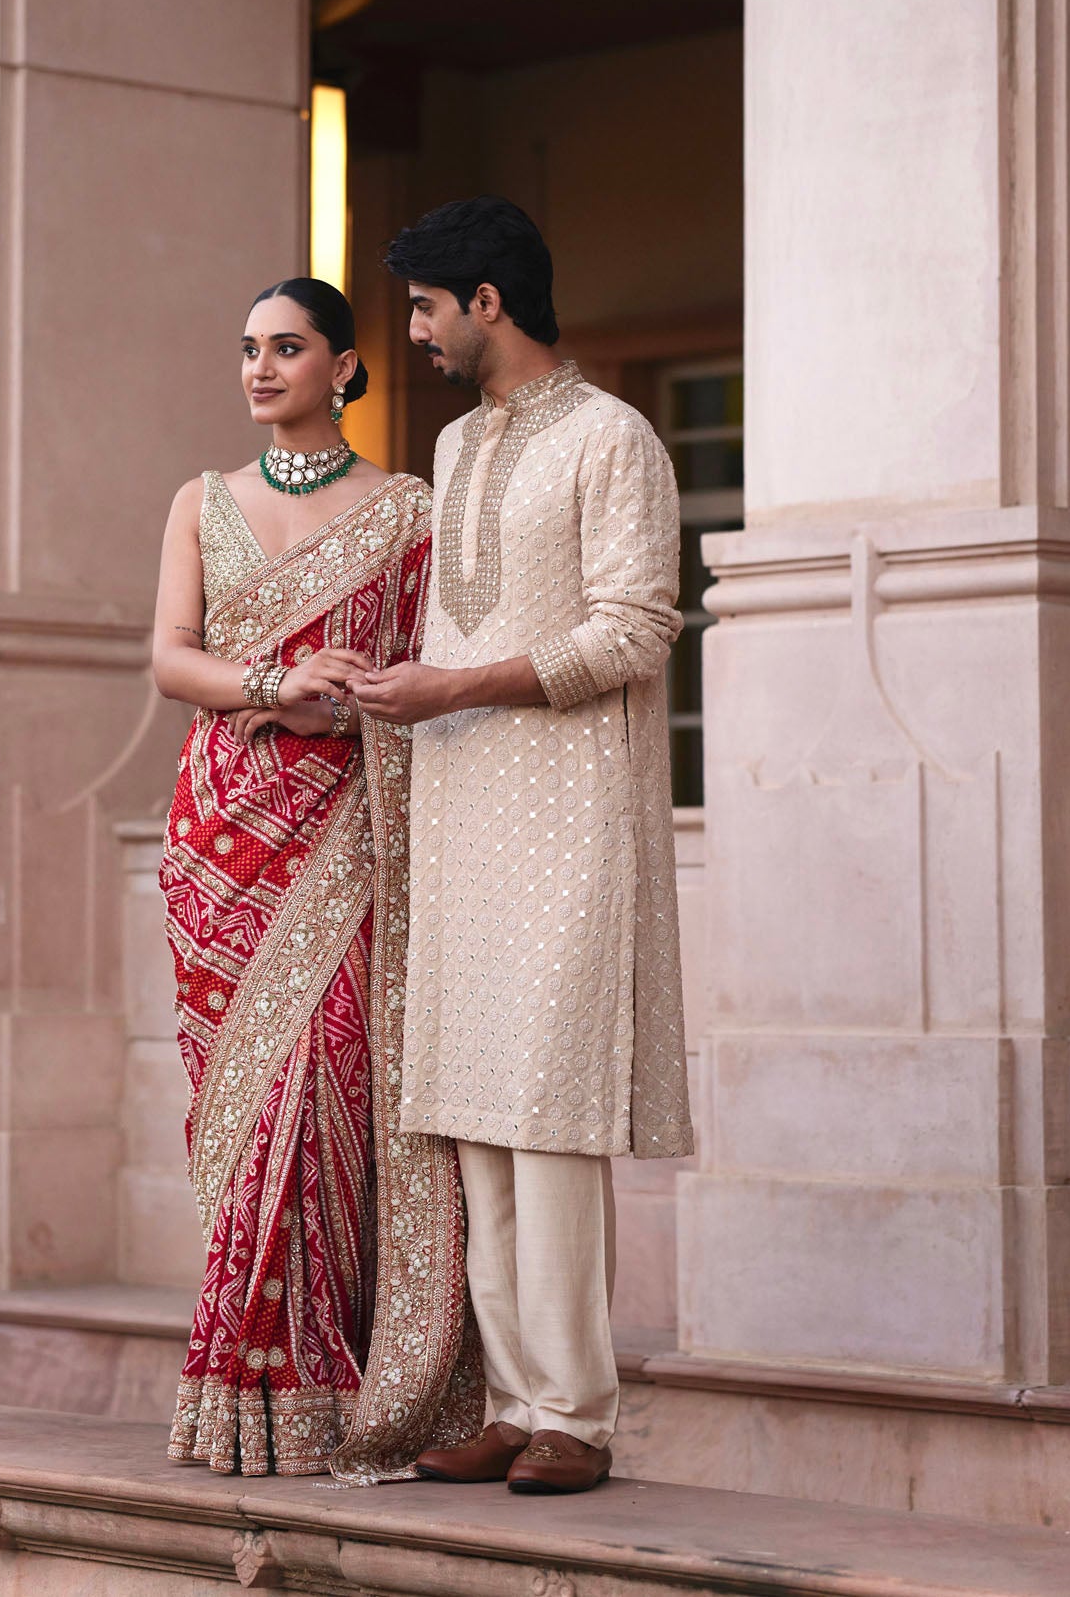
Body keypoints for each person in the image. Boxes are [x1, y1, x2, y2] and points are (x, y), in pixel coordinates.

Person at [351, 200, 690, 1496]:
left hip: (569, 815)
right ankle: (507, 1395)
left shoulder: (614, 439)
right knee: (476, 1116)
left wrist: (456, 687)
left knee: (549, 1118)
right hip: (464, 812)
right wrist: (395, 683)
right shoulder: (452, 447)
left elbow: (633, 632)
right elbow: (451, 637)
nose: (421, 333)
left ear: (488, 299)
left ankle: (578, 1415)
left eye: (430, 308)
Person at [151, 277, 481, 1482]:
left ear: (344, 367)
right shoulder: (201, 501)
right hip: (218, 834)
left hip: (348, 826)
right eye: (247, 348)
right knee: (240, 1110)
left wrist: (357, 699)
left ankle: (330, 1373)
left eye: (285, 348)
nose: (258, 368)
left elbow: (437, 663)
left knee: (330, 1079)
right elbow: (169, 658)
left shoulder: (407, 511)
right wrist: (268, 686)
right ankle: (243, 1385)